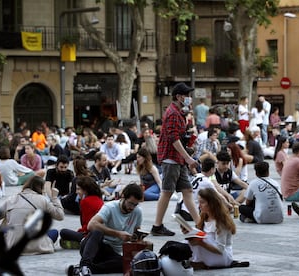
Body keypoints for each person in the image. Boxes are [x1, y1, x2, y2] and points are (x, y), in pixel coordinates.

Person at [151, 82, 200, 236]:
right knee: (167, 192)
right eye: (187, 95)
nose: (189, 98)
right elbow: (173, 138)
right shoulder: (173, 113)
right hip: (171, 159)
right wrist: (189, 158)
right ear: (179, 97)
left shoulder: (178, 112)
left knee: (187, 190)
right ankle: (157, 226)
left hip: (178, 159)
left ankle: (199, 223)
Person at [67, 184, 143, 275]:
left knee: (129, 264)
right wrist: (117, 234)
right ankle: (84, 265)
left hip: (112, 253)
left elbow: (137, 234)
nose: (132, 207)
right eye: (130, 203)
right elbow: (91, 225)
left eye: (135, 204)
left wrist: (138, 240)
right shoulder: (110, 207)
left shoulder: (137, 212)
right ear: (123, 197)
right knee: (97, 232)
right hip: (95, 247)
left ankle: (86, 270)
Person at [0, 176, 64, 255]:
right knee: (54, 232)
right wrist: (54, 197)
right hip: (37, 246)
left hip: (13, 245)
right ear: (41, 188)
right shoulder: (42, 199)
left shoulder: (11, 200)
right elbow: (60, 215)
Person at [183, 188, 236, 268]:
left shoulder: (221, 222)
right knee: (187, 242)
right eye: (199, 202)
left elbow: (220, 249)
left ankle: (197, 262)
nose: (199, 205)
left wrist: (201, 243)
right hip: (211, 253)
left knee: (204, 239)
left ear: (212, 204)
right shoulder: (205, 217)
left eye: (202, 202)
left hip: (223, 256)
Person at [59, 176, 104, 250]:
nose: (76, 192)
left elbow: (87, 225)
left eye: (78, 189)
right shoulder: (99, 199)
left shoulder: (85, 201)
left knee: (63, 232)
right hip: (100, 233)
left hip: (90, 234)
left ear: (85, 190)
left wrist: (80, 232)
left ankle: (84, 242)